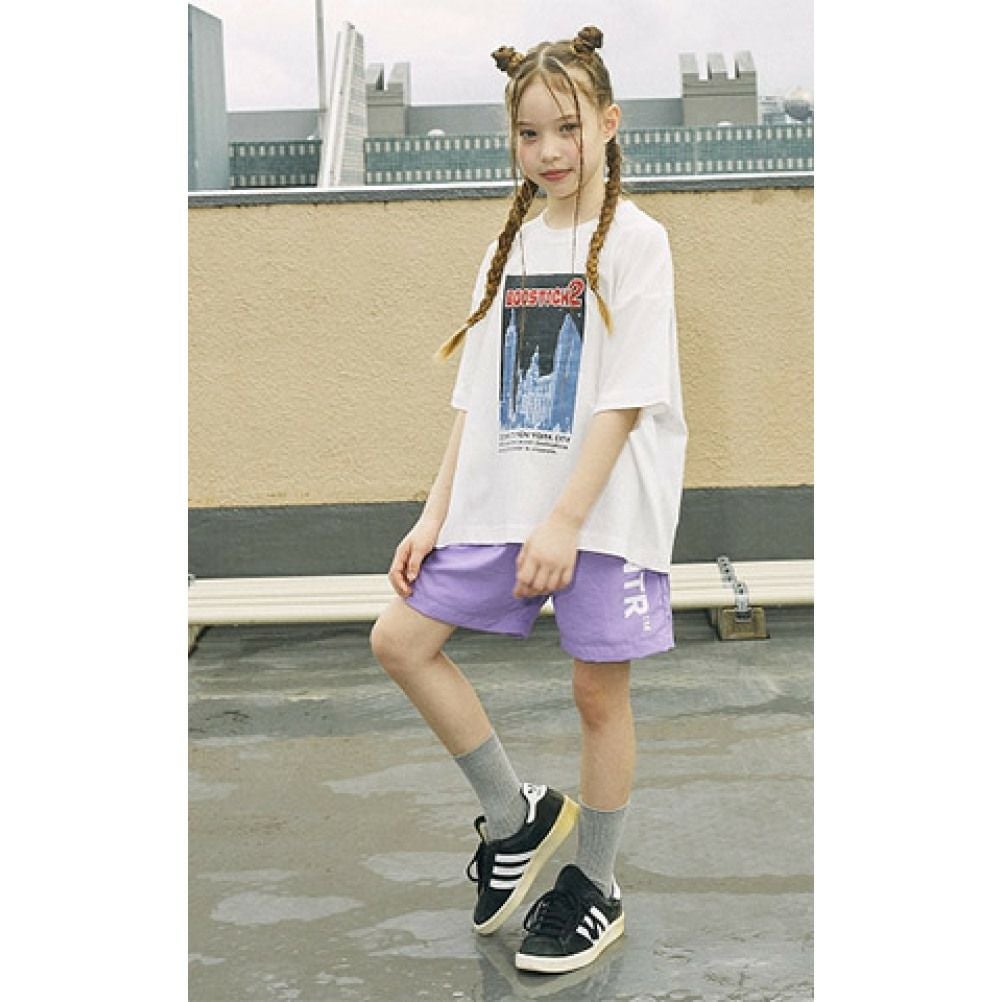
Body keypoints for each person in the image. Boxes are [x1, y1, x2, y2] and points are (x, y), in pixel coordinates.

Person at [370, 25, 687, 976]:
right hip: (502, 500)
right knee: (401, 639)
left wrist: (566, 521)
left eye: (568, 128)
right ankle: (516, 819)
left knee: (597, 691)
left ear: (609, 123)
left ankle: (595, 884)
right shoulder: (508, 248)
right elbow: (476, 396)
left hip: (602, 506)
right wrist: (435, 514)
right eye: (529, 133)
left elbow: (628, 397)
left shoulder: (638, 242)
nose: (550, 151)